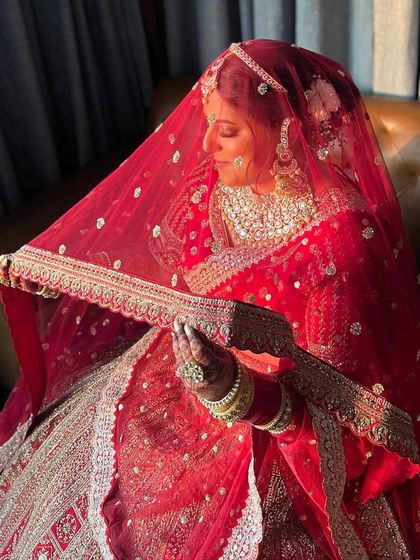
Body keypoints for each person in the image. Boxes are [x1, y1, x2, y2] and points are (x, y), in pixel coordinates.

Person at [0, 39, 419, 559]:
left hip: (265, 433)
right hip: (167, 378)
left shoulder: (342, 243)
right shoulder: (218, 185)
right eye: (207, 125)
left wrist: (233, 390)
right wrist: (68, 273)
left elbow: (350, 421)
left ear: (286, 130)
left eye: (227, 131)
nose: (206, 148)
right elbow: (162, 269)